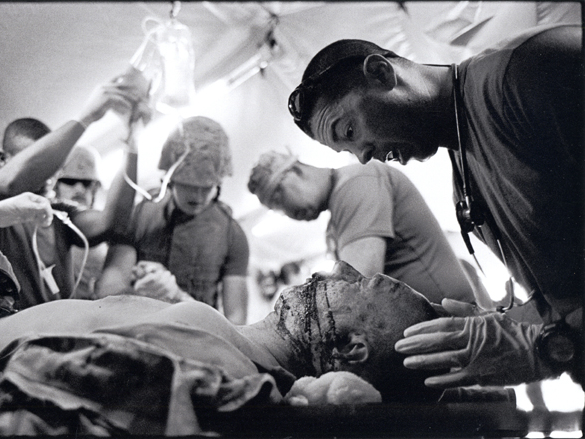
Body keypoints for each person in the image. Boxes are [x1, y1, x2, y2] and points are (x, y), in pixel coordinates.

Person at [286, 24, 583, 387]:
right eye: (347, 150)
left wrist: (551, 347)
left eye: (349, 132)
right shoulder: (463, 173)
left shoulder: (528, 73)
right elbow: (563, 298)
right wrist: (505, 327)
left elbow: (560, 334)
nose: (362, 157)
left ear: (381, 73)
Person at [0, 261, 462, 435]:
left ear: (348, 350)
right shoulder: (227, 344)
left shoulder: (224, 369)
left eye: (360, 285)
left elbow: (12, 400)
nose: (339, 270)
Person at [0, 79, 145, 309]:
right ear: (4, 159)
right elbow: (7, 183)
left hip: (59, 338)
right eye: (37, 166)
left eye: (52, 167)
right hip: (10, 340)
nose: (46, 176)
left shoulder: (57, 213)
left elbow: (111, 222)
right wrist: (86, 118)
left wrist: (132, 144)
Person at [248, 151, 476, 304]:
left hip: (451, 323)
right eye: (276, 209)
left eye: (279, 198)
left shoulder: (356, 184)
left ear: (295, 172)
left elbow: (355, 288)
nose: (289, 214)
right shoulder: (337, 213)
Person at [97, 116, 249, 325]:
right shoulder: (141, 215)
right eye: (187, 184)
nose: (197, 196)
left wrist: (179, 297)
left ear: (219, 183)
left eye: (206, 187)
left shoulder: (232, 234)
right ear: (169, 179)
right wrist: (137, 295)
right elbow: (106, 292)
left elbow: (237, 323)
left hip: (196, 340)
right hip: (139, 330)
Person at [52, 145, 108, 299]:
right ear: (55, 185)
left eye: (87, 183)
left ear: (96, 187)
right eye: (70, 181)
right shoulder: (43, 228)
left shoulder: (107, 229)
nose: (79, 189)